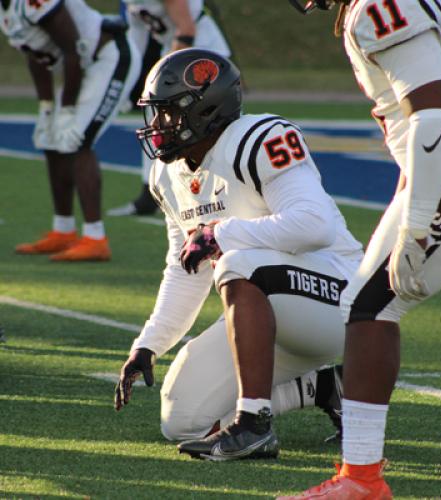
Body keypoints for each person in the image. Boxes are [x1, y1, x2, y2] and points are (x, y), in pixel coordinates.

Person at [281, 0, 441, 498]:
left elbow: (434, 115)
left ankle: (361, 479)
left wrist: (418, 223)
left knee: (369, 306)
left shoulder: (381, 6)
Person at [114, 48, 365, 460]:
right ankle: (325, 386)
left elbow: (314, 225)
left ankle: (253, 427)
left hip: (338, 298)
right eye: (156, 113)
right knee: (182, 419)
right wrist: (148, 346)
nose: (158, 126)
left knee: (236, 261)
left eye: (168, 113)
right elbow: (186, 270)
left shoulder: (261, 138)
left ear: (205, 110)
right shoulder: (167, 174)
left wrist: (221, 233)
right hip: (267, 312)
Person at [1, 0, 140, 262]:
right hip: (83, 66)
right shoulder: (6, 10)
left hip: (109, 56)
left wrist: (65, 109)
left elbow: (73, 50)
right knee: (51, 140)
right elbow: (37, 55)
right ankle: (63, 231)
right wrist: (46, 107)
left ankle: (95, 238)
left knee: (77, 139)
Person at [107, 0, 231, 217]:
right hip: (174, 54)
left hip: (203, 58)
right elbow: (136, 39)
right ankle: (151, 193)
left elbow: (186, 30)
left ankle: (230, 190)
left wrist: (171, 76)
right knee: (157, 123)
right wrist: (127, 78)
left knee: (210, 128)